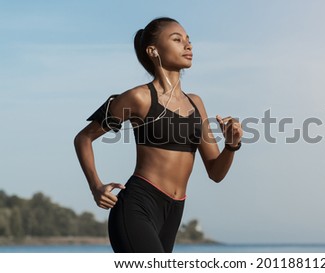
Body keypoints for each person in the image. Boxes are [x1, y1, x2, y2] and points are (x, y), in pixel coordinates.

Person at [74, 17, 242, 253]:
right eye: (177, 39)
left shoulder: (196, 103)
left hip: (173, 213)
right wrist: (95, 186)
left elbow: (216, 172)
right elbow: (84, 138)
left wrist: (232, 146)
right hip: (138, 207)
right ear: (153, 51)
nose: (188, 45)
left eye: (188, 41)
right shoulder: (139, 98)